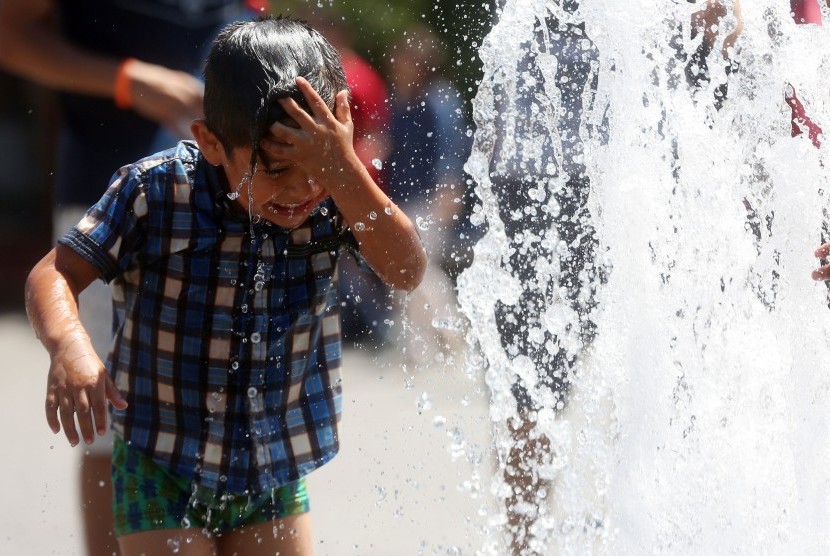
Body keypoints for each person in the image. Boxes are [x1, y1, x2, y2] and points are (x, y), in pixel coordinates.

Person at [24, 15, 426, 556]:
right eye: (276, 170)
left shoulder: (337, 195)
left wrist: (344, 168)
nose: (302, 189)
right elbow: (54, 272)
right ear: (211, 143)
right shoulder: (156, 190)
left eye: (317, 167)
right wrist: (70, 347)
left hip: (271, 468)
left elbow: (406, 271)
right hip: (161, 461)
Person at [0, 2, 259, 554]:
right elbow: (10, 34)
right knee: (114, 430)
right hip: (107, 203)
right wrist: (128, 80)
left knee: (233, 413)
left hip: (229, 208)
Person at [486, 3, 603, 552]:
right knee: (527, 393)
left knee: (651, 370)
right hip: (528, 190)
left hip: (623, 189)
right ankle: (523, 541)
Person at [384, 24, 472, 360]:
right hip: (405, 200)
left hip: (431, 199)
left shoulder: (440, 100)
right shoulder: (402, 100)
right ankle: (422, 346)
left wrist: (447, 197)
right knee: (405, 272)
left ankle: (451, 333)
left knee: (417, 270)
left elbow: (450, 152)